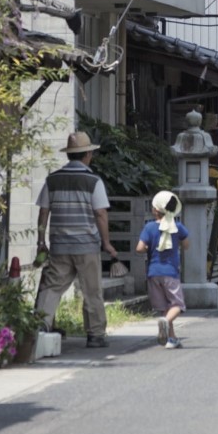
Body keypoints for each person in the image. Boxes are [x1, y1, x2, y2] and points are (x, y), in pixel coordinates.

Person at [34, 130, 118, 347]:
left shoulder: (52, 180)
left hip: (59, 246)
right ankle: (95, 335)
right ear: (87, 155)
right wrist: (106, 242)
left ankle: (40, 327)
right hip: (87, 245)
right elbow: (101, 213)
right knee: (91, 290)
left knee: (52, 287)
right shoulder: (93, 181)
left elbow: (43, 211)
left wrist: (41, 241)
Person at [136, 190, 189, 348]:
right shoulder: (177, 227)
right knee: (177, 305)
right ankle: (165, 322)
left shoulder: (149, 227)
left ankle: (171, 339)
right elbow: (186, 245)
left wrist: (149, 246)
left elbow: (139, 248)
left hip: (153, 273)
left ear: (154, 210)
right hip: (170, 273)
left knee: (165, 307)